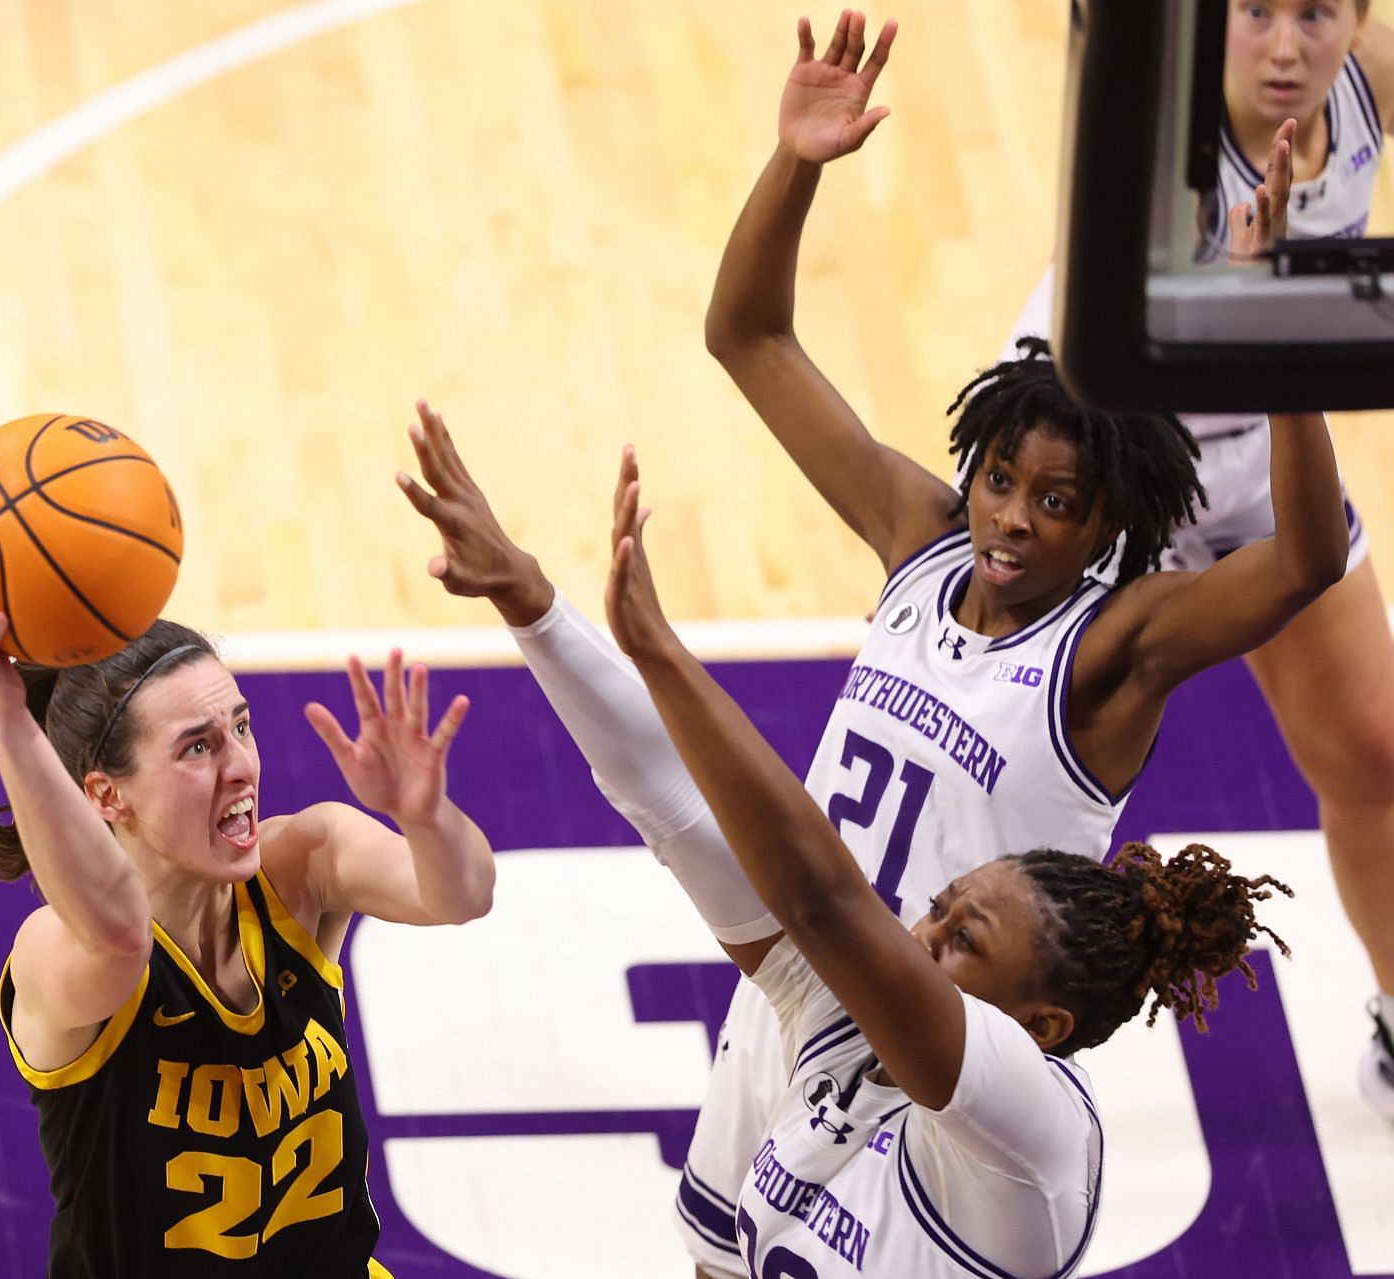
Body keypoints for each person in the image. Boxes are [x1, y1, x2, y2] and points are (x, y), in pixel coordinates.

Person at [397, 10, 1347, 1275]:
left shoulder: (1117, 644)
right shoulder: (926, 535)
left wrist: (1281, 332)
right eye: (1001, 477)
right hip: (801, 996)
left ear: (1109, 519)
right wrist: (795, 162)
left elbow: (1305, 560)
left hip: (948, 1065)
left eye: (1054, 501)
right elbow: (748, 335)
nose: (1009, 517)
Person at [598, 445, 1293, 1279]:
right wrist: (532, 607)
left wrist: (664, 653)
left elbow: (824, 901)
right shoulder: (850, 1042)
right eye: (943, 905)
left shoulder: (1028, 1122)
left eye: (964, 940)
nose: (919, 935)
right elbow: (679, 821)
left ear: (1039, 1029)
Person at [1004, 0, 1394, 1116]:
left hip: (1266, 443)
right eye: (1252, 11)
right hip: (1104, 449)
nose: (1282, 45)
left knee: (1377, 752)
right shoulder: (1155, 129)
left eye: (1314, 12)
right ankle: (933, 1048)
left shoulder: (1371, 72)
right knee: (1030, 802)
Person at [0, 531, 496, 1278]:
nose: (242, 766)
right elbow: (122, 936)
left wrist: (426, 814)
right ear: (106, 794)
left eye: (242, 726)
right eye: (198, 747)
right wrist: (2, 714)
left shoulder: (302, 865)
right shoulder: (54, 955)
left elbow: (465, 894)